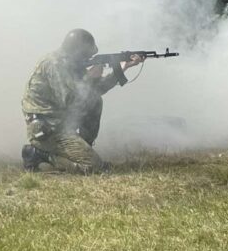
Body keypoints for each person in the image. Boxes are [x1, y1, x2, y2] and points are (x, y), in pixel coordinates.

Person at [21, 29, 143, 173]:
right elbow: (69, 100)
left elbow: (95, 91)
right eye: (86, 55)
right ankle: (37, 153)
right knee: (93, 168)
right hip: (47, 128)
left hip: (61, 121)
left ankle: (83, 148)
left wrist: (123, 68)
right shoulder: (54, 64)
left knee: (95, 101)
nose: (88, 58)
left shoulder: (73, 63)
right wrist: (89, 77)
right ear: (77, 52)